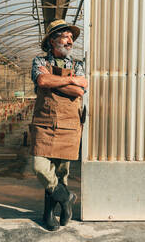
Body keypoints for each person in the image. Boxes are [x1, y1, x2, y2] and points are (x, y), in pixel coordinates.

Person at [30, 19, 88, 231]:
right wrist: (71, 80)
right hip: (44, 123)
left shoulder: (78, 64)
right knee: (40, 167)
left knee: (61, 172)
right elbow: (42, 82)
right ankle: (66, 199)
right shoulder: (39, 61)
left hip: (69, 124)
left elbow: (80, 91)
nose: (70, 40)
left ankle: (49, 215)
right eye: (65, 36)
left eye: (71, 37)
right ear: (52, 41)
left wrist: (57, 79)